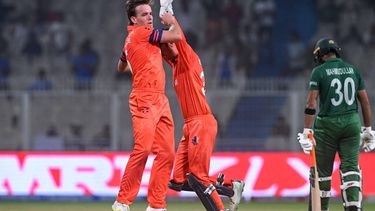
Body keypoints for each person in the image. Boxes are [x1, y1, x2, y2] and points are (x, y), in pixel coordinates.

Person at [159, 2, 244, 211]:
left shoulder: (187, 57)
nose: (165, 50)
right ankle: (231, 188)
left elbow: (175, 33)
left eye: (168, 45)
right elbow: (162, 48)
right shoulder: (177, 64)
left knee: (198, 176)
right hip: (191, 125)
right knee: (177, 181)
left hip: (200, 121)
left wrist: (166, 10)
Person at [112, 1, 182, 211]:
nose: (150, 17)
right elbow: (177, 35)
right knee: (142, 150)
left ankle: (156, 205)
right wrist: (169, 17)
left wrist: (136, 62)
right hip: (144, 98)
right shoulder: (143, 34)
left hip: (160, 99)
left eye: (151, 13)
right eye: (144, 14)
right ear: (134, 19)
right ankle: (122, 201)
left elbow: (121, 66)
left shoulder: (133, 38)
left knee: (168, 153)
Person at [297, 38, 375, 211]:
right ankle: (353, 205)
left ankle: (321, 208)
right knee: (350, 169)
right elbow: (365, 102)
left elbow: (311, 104)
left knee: (322, 174)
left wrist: (306, 131)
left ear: (322, 54)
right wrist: (368, 129)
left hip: (327, 126)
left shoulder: (319, 71)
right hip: (352, 122)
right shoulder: (353, 69)